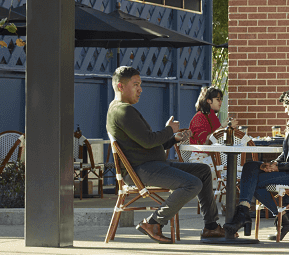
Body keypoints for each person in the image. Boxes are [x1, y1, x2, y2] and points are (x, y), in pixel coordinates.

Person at [106, 66, 248, 244]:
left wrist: (174, 138)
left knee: (202, 171)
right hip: (141, 170)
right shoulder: (122, 111)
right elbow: (149, 141)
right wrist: (169, 130)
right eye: (135, 85)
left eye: (140, 84)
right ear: (120, 86)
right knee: (192, 183)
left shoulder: (122, 110)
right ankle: (154, 222)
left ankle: (211, 227)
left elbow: (147, 143)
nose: (140, 89)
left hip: (153, 164)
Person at [224, 81, 289, 241]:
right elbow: (286, 153)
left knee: (252, 182)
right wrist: (272, 164)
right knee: (250, 167)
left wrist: (278, 167)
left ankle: (254, 217)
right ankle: (251, 214)